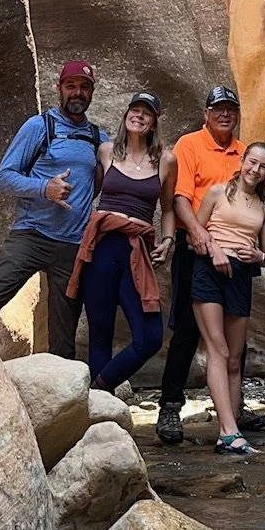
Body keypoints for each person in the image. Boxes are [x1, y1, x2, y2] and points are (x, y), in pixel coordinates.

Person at [158, 87, 265, 446]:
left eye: (231, 109)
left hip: (237, 258)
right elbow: (181, 197)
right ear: (206, 112)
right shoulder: (189, 145)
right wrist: (200, 237)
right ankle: (171, 406)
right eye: (218, 109)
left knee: (234, 338)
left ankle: (233, 410)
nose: (225, 115)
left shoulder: (245, 153)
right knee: (189, 328)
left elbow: (253, 197)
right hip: (198, 246)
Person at [0, 62, 104, 357]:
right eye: (71, 86)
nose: (77, 93)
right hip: (30, 236)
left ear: (92, 91)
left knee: (63, 337)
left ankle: (62, 400)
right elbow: (4, 177)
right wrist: (45, 188)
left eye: (84, 87)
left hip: (72, 246)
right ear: (59, 89)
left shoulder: (99, 139)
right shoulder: (40, 126)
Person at [69, 94, 176, 391]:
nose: (139, 116)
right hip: (101, 247)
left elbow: (167, 209)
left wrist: (168, 240)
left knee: (150, 337)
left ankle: (99, 389)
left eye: (147, 113)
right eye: (135, 110)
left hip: (135, 251)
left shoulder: (166, 160)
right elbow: (86, 193)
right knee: (100, 331)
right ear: (126, 114)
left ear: (155, 121)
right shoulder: (106, 151)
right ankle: (101, 414)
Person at [193, 142, 265, 454]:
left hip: (241, 275)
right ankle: (228, 432)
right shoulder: (216, 193)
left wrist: (258, 254)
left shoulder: (263, 210)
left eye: (263, 166)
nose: (256, 170)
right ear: (242, 161)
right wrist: (214, 250)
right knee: (218, 348)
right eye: (252, 162)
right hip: (209, 269)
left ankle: (230, 430)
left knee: (234, 356)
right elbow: (195, 234)